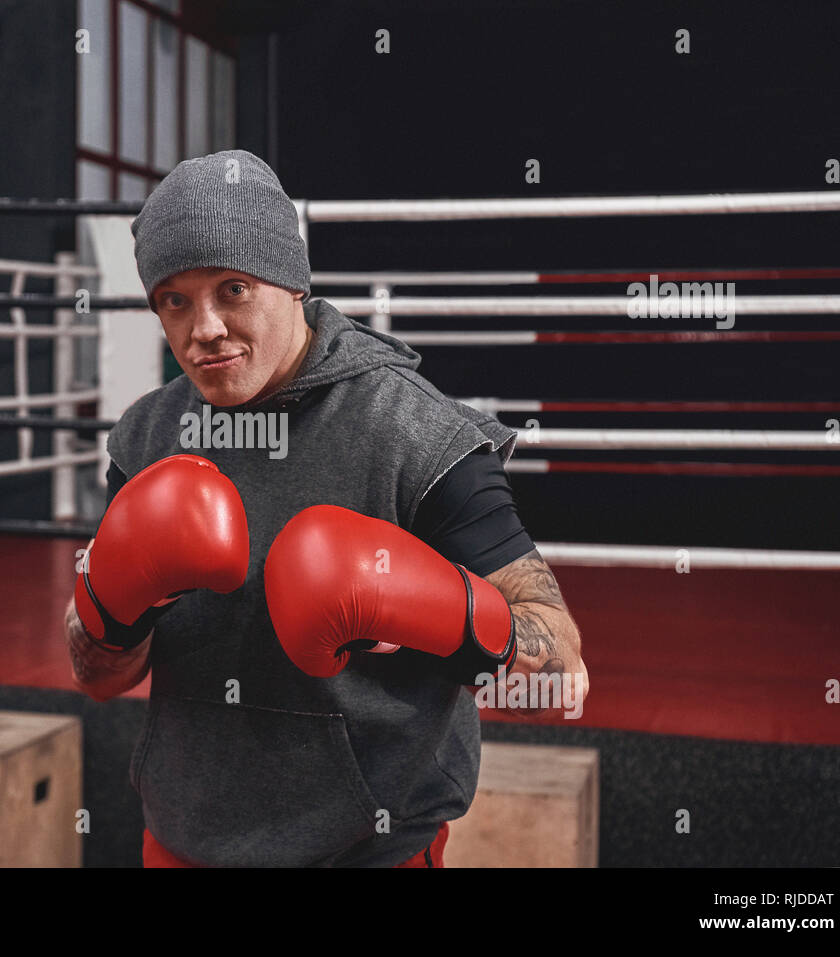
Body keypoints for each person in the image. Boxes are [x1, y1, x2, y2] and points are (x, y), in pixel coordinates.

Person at [63, 148, 587, 867]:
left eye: (233, 289)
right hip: (182, 839)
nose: (204, 327)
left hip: (366, 850)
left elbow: (560, 662)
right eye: (174, 300)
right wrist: (108, 606)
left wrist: (442, 612)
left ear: (291, 282)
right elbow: (100, 676)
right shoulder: (149, 436)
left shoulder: (416, 434)